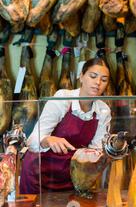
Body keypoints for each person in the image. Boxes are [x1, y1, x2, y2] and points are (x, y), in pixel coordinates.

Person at [20, 58, 112, 194]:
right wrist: (47, 140)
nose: (98, 83)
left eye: (104, 80)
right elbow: (33, 140)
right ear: (81, 76)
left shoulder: (103, 110)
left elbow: (96, 150)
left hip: (72, 177)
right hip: (39, 175)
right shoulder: (63, 99)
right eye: (93, 76)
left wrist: (102, 155)